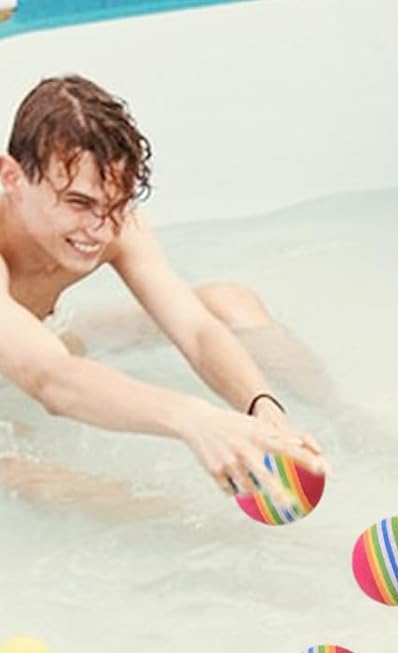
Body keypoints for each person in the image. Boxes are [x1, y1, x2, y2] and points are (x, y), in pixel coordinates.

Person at [0, 74, 324, 508]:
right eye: (78, 202)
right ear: (12, 176)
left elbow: (195, 330)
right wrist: (193, 418)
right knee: (61, 482)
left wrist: (261, 407)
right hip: (33, 368)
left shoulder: (109, 223)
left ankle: (357, 427)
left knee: (228, 303)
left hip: (29, 344)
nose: (99, 229)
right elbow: (50, 380)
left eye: (116, 204)